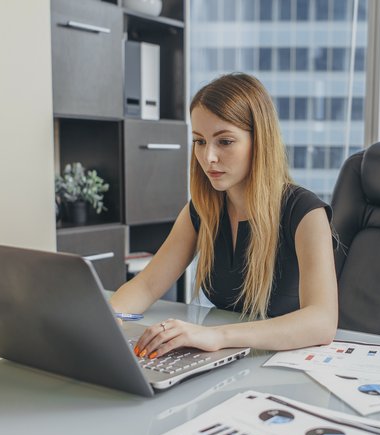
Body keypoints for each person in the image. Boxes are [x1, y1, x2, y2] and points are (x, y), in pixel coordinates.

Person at [111, 73, 338, 359]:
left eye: (225, 142)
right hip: (230, 361)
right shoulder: (203, 210)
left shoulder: (305, 212)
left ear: (260, 141)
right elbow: (146, 285)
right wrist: (109, 318)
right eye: (200, 141)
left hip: (286, 365)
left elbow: (322, 322)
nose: (208, 158)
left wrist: (216, 336)